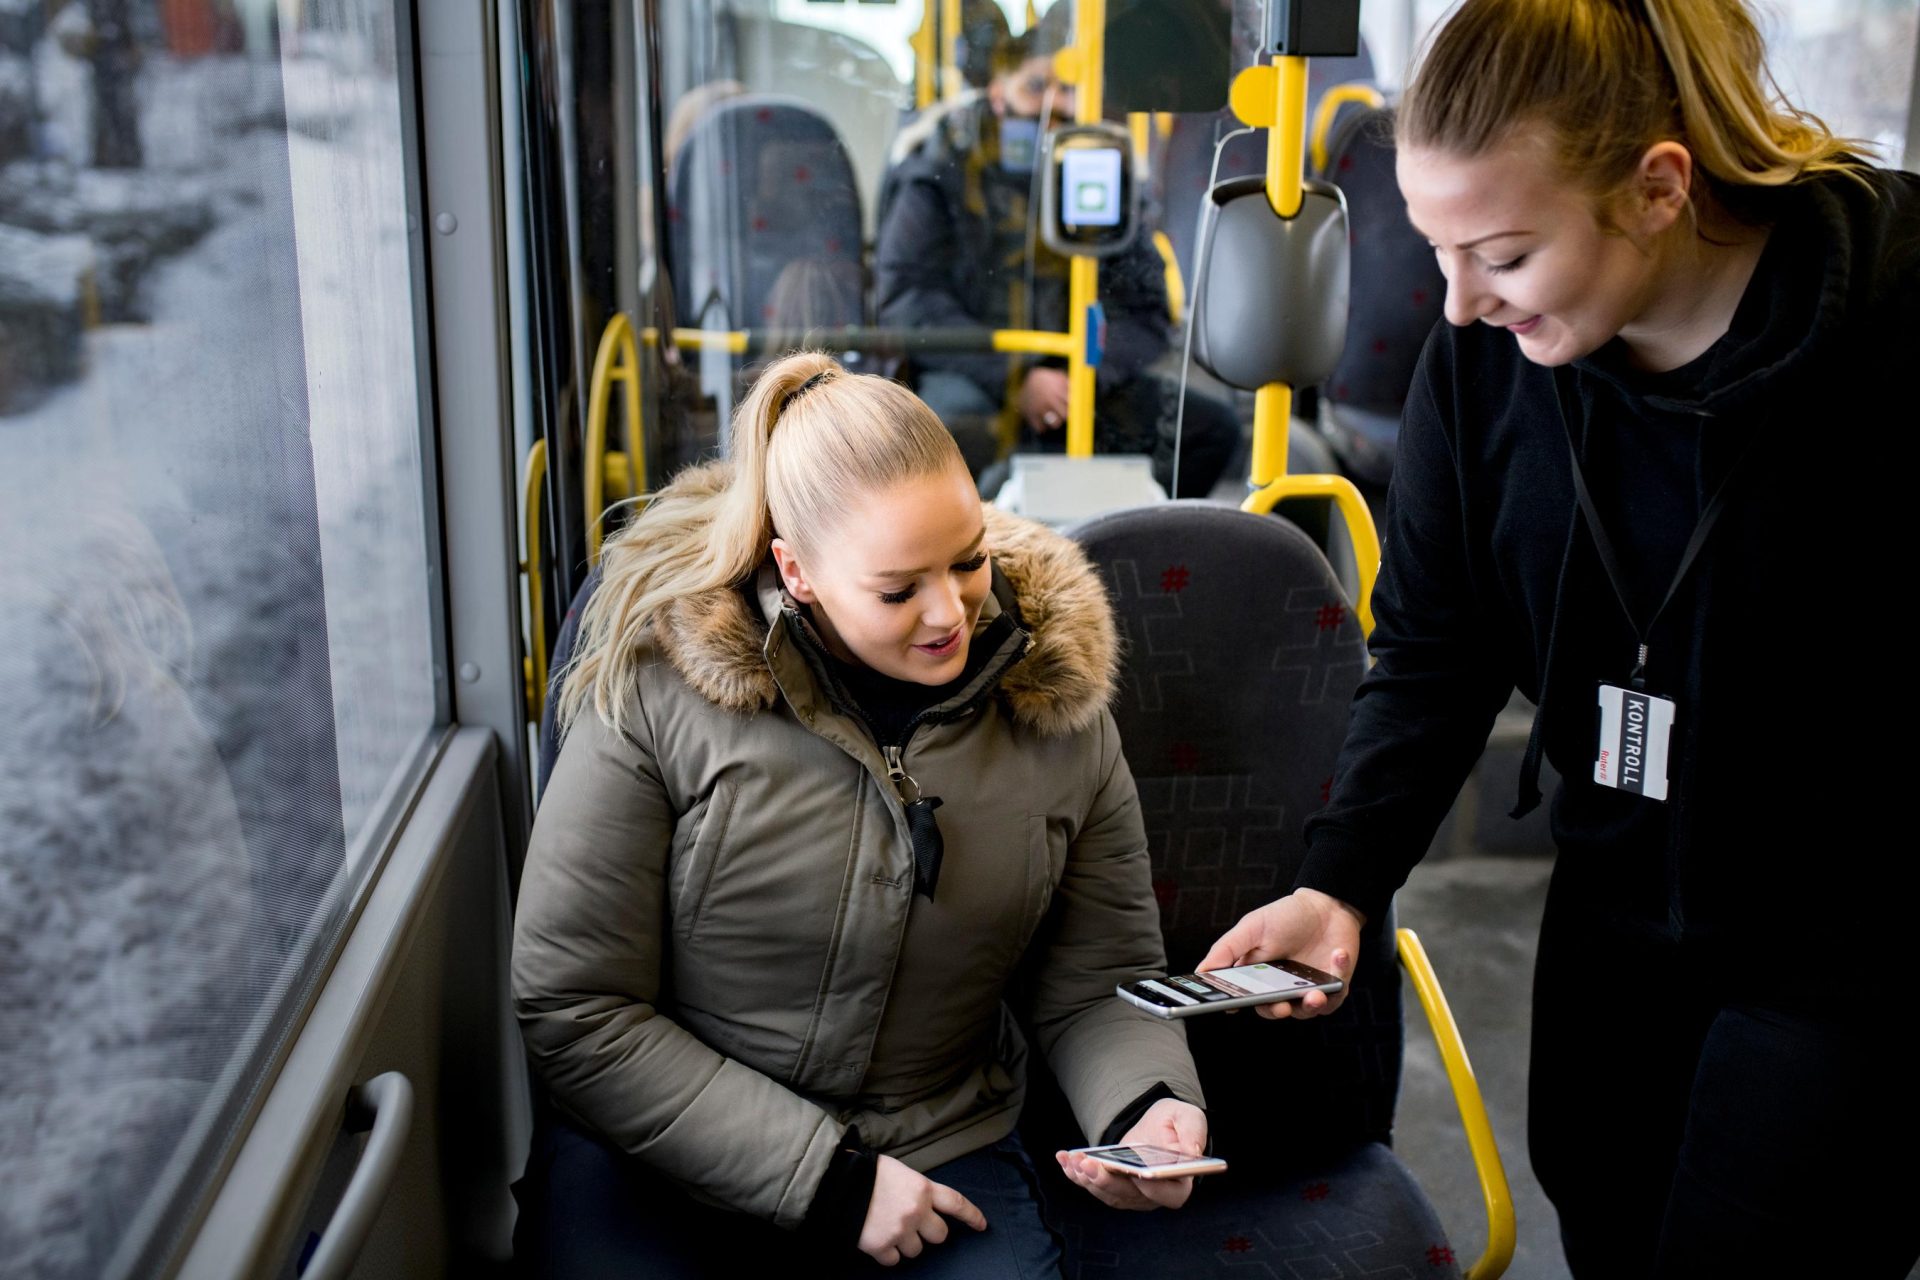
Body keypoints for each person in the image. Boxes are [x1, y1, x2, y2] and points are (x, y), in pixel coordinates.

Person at [1198, 1, 1920, 1276]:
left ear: (1656, 189)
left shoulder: (1892, 312)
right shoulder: (1486, 368)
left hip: (1843, 927)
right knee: (1605, 1220)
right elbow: (1434, 642)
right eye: (1438, 253)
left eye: (1507, 255)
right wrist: (1343, 873)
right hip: (1614, 900)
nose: (1462, 305)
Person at [511, 352, 1210, 1277]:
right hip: (665, 1152)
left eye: (969, 563)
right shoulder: (659, 693)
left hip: (936, 1138)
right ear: (794, 571)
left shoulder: (1055, 710)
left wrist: (1146, 1104)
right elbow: (577, 1004)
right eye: (898, 590)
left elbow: (1099, 978)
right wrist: (828, 1181)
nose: (949, 613)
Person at [875, 4, 1238, 498]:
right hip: (977, 372)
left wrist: (1082, 375)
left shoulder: (1101, 169)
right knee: (956, 435)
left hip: (1082, 380)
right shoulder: (940, 167)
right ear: (997, 93)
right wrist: (1018, 376)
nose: (1056, 106)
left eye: (1068, 89)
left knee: (1210, 432)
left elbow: (1144, 306)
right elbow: (908, 300)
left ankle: (1120, 543)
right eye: (1036, 87)